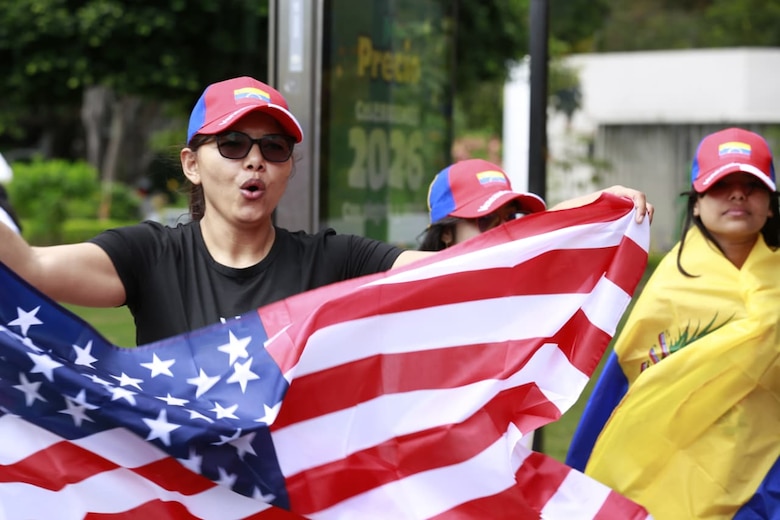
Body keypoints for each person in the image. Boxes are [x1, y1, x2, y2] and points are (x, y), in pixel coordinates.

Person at [0, 75, 652, 347]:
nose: (254, 161)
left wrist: (575, 221)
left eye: (274, 148)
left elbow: (460, 273)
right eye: (233, 144)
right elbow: (25, 267)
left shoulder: (334, 259)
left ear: (288, 167)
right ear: (193, 163)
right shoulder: (149, 255)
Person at [566, 127, 780, 519]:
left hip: (769, 479)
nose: (737, 194)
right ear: (695, 204)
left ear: (770, 204)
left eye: (751, 184)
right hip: (671, 479)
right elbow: (624, 391)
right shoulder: (668, 290)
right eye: (721, 184)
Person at [419, 157, 651, 251]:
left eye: (510, 218)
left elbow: (550, 222)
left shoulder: (520, 273)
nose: (503, 229)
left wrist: (609, 201)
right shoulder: (417, 293)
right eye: (486, 218)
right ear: (446, 233)